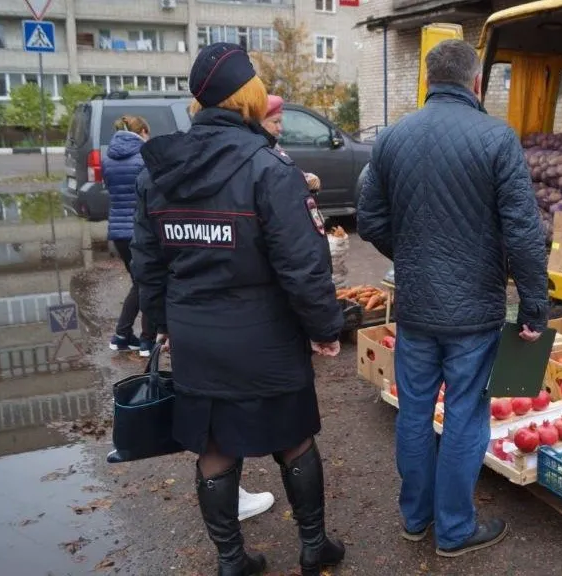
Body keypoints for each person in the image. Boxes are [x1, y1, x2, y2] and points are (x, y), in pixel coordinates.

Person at [131, 43, 346, 576]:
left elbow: (147, 265)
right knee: (294, 438)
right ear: (246, 96)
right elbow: (303, 265)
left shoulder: (157, 172)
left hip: (197, 336)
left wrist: (158, 326)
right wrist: (326, 328)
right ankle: (313, 546)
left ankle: (231, 561)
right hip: (265, 337)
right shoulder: (268, 169)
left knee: (215, 446)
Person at [357, 39, 549, 557]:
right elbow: (524, 233)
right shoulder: (496, 138)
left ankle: (416, 521)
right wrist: (534, 307)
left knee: (416, 415)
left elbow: (370, 219)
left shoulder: (392, 139)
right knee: (465, 415)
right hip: (474, 312)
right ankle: (455, 530)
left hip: (417, 307)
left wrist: (414, 252)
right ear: (477, 83)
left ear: (427, 80)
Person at [102, 115, 157, 358]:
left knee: (139, 282)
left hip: (118, 232)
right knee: (148, 282)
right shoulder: (144, 158)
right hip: (140, 229)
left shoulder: (108, 159)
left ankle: (122, 335)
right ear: (143, 131)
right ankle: (146, 341)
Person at [261, 94, 322, 194]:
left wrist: (306, 178)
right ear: (259, 122)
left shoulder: (273, 146)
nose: (280, 128)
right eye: (275, 122)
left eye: (280, 122)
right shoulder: (258, 151)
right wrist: (302, 181)